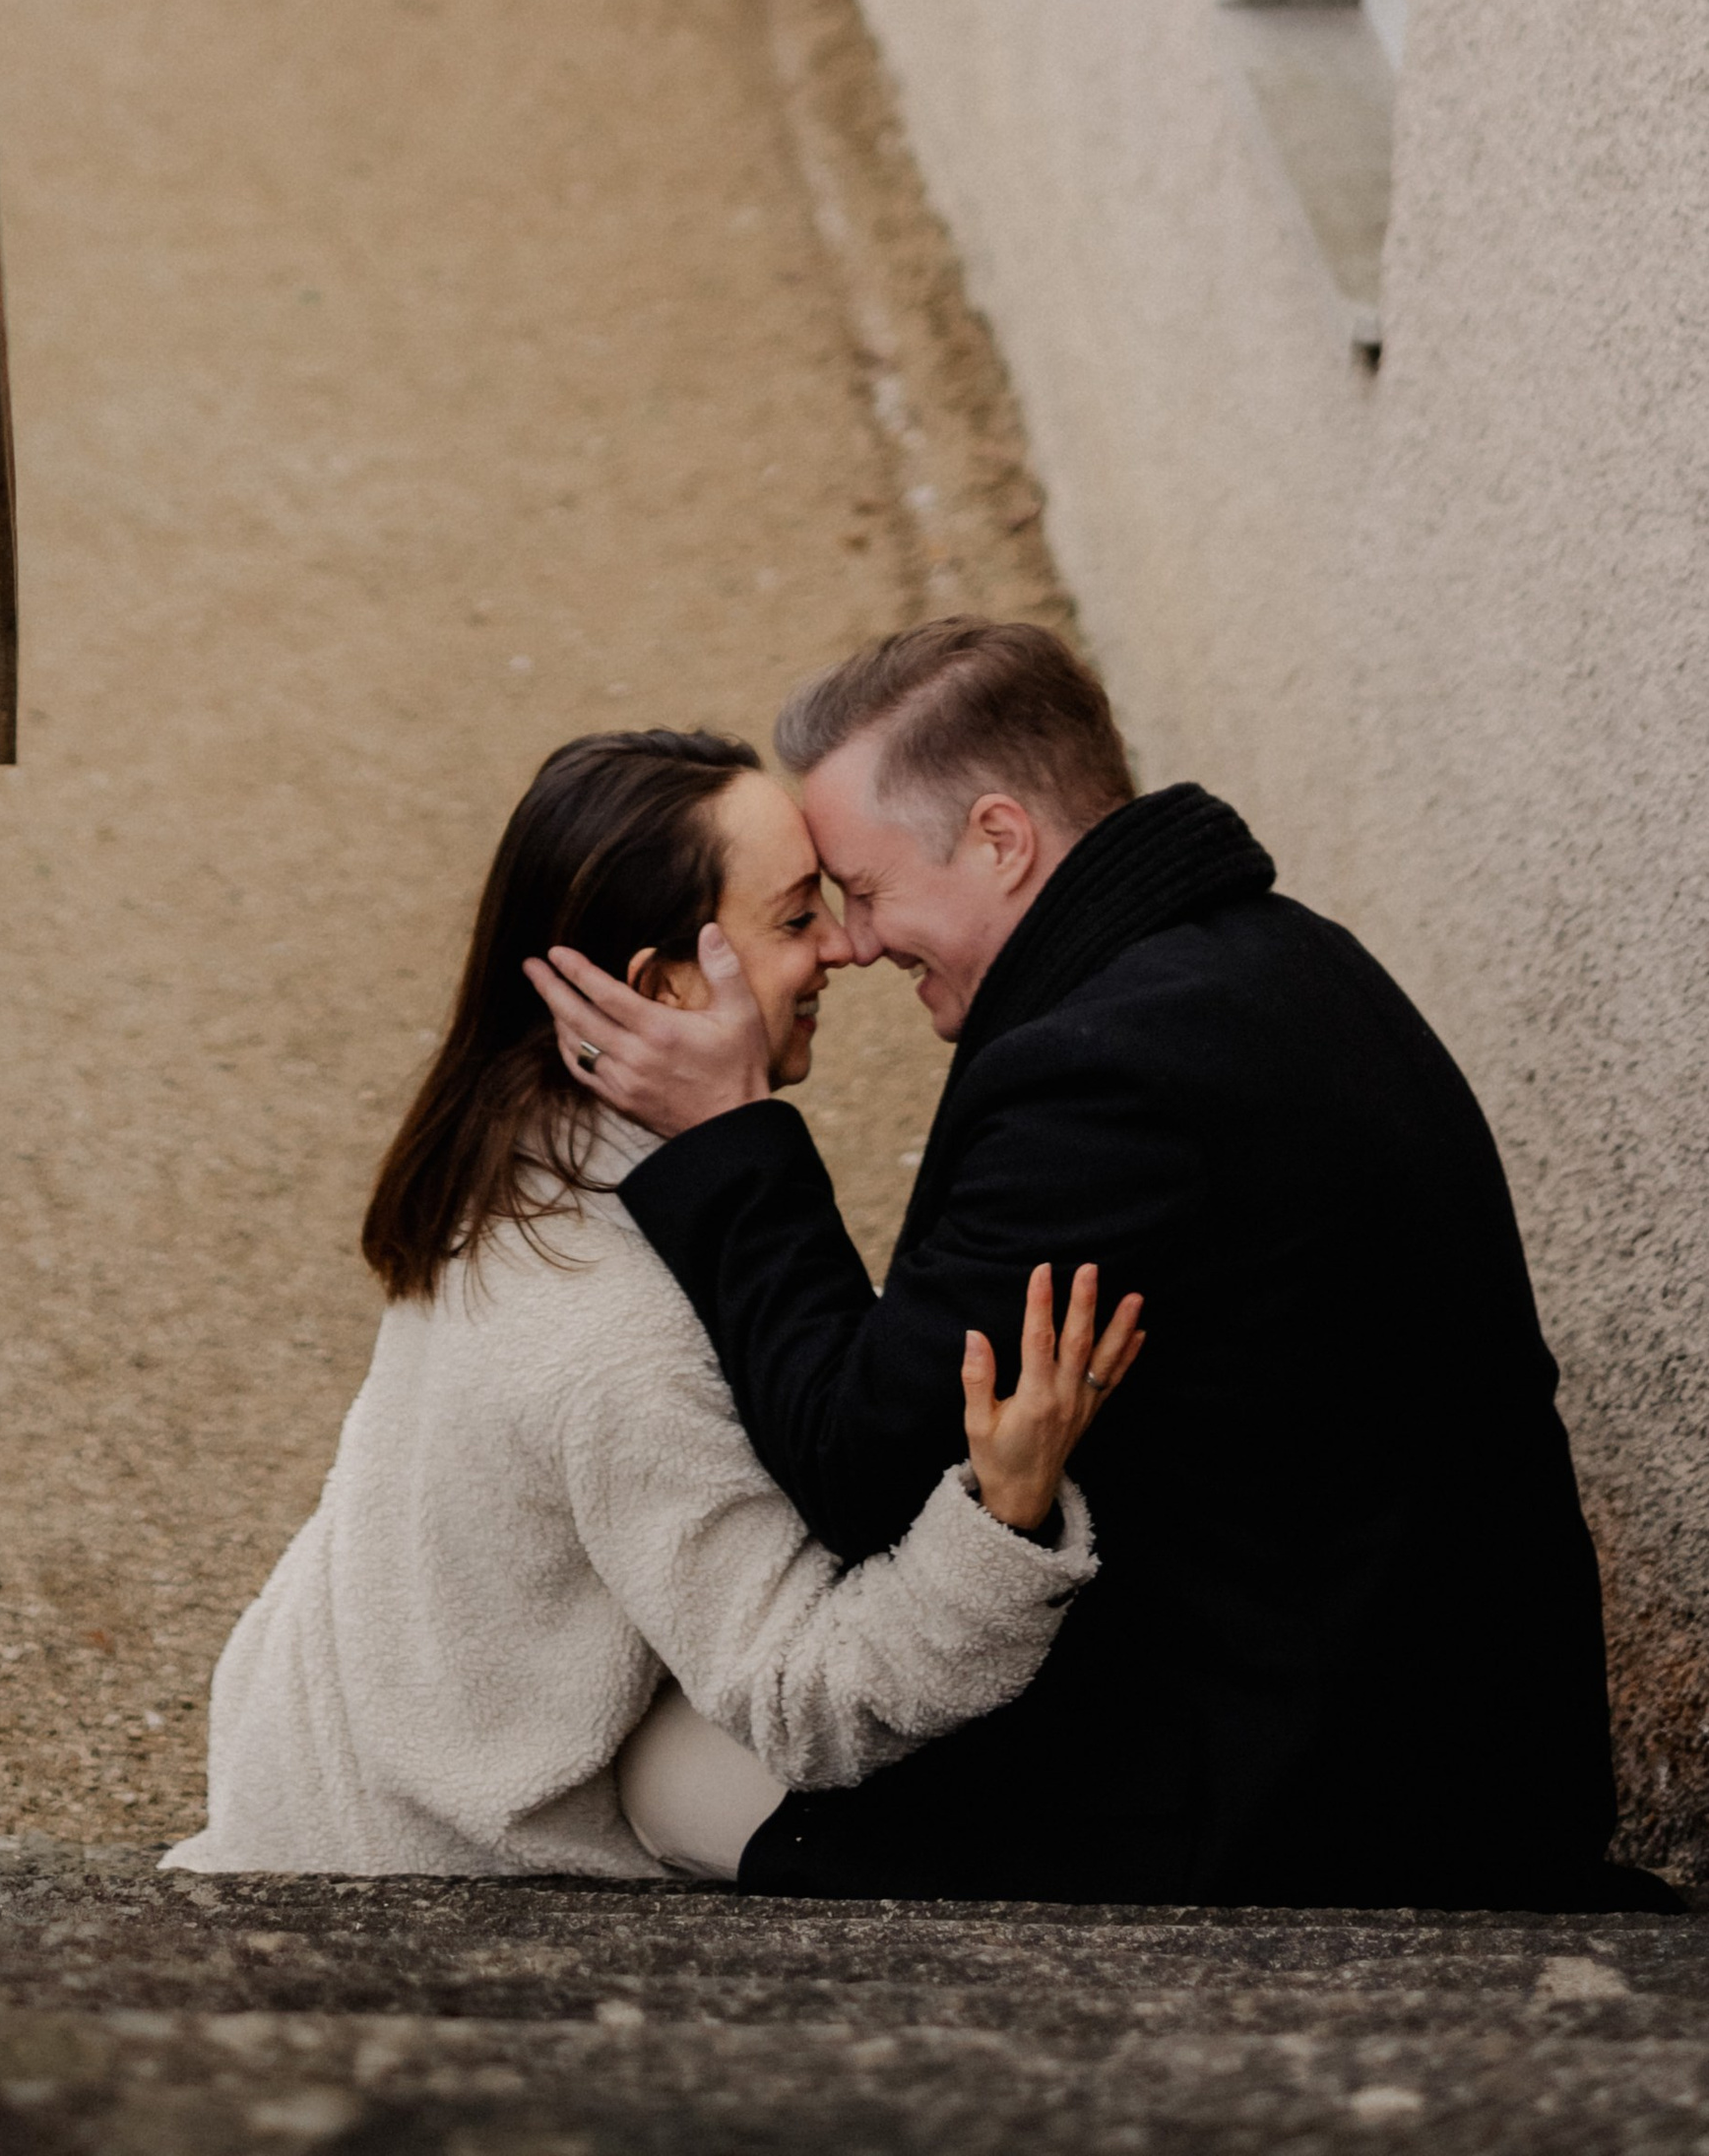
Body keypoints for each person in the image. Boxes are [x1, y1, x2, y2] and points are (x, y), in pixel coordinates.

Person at [529, 618, 1638, 1906]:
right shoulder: (1272, 963)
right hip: (1425, 1735)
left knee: (664, 1769)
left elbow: (862, 1469)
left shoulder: (1110, 1079)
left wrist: (727, 1142)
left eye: (869, 890)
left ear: (1000, 841)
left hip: (1317, 1811)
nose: (857, 943)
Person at [164, 725, 1140, 1881]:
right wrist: (1003, 1515)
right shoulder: (613, 1333)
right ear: (658, 989)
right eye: (792, 918)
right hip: (420, 1878)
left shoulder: (524, 1159)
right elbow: (807, 1698)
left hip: (317, 1766)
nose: (841, 945)